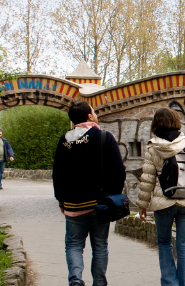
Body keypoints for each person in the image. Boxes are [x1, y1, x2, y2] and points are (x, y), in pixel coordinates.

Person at [53, 101, 126, 286]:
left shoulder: (64, 140)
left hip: (72, 205)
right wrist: (113, 195)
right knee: (100, 245)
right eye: (93, 111)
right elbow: (119, 170)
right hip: (99, 203)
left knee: (74, 244)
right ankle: (99, 283)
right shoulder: (103, 137)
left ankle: (75, 280)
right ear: (89, 116)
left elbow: (57, 174)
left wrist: (61, 200)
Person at [137, 108, 185, 286]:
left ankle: (170, 283)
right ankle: (184, 283)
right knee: (184, 246)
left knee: (164, 243)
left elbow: (147, 179)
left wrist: (142, 205)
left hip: (163, 203)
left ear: (156, 124)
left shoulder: (153, 146)